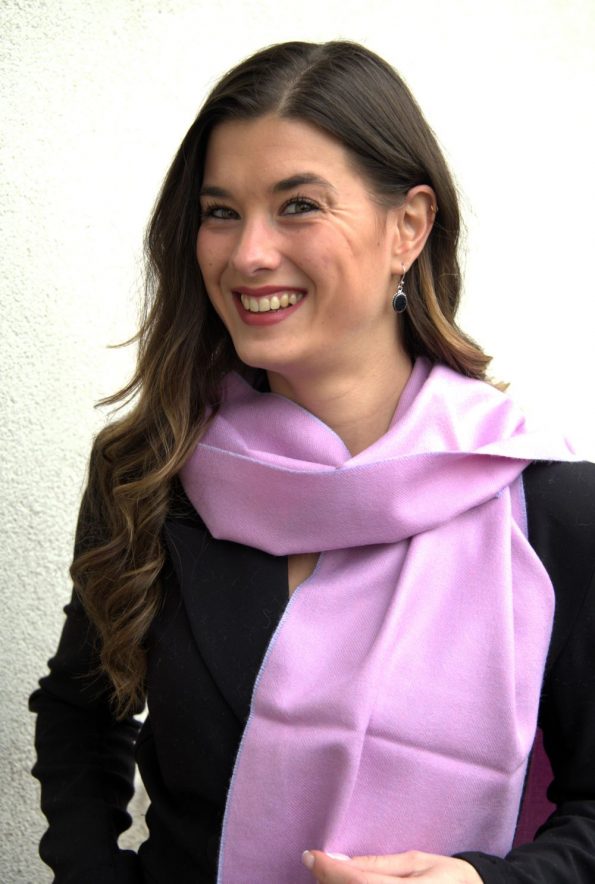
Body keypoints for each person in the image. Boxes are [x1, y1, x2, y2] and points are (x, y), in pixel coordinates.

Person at [30, 40, 595, 884]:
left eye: (298, 205)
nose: (247, 254)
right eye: (220, 212)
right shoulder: (153, 474)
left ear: (408, 227)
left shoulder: (546, 507)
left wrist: (486, 882)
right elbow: (81, 707)